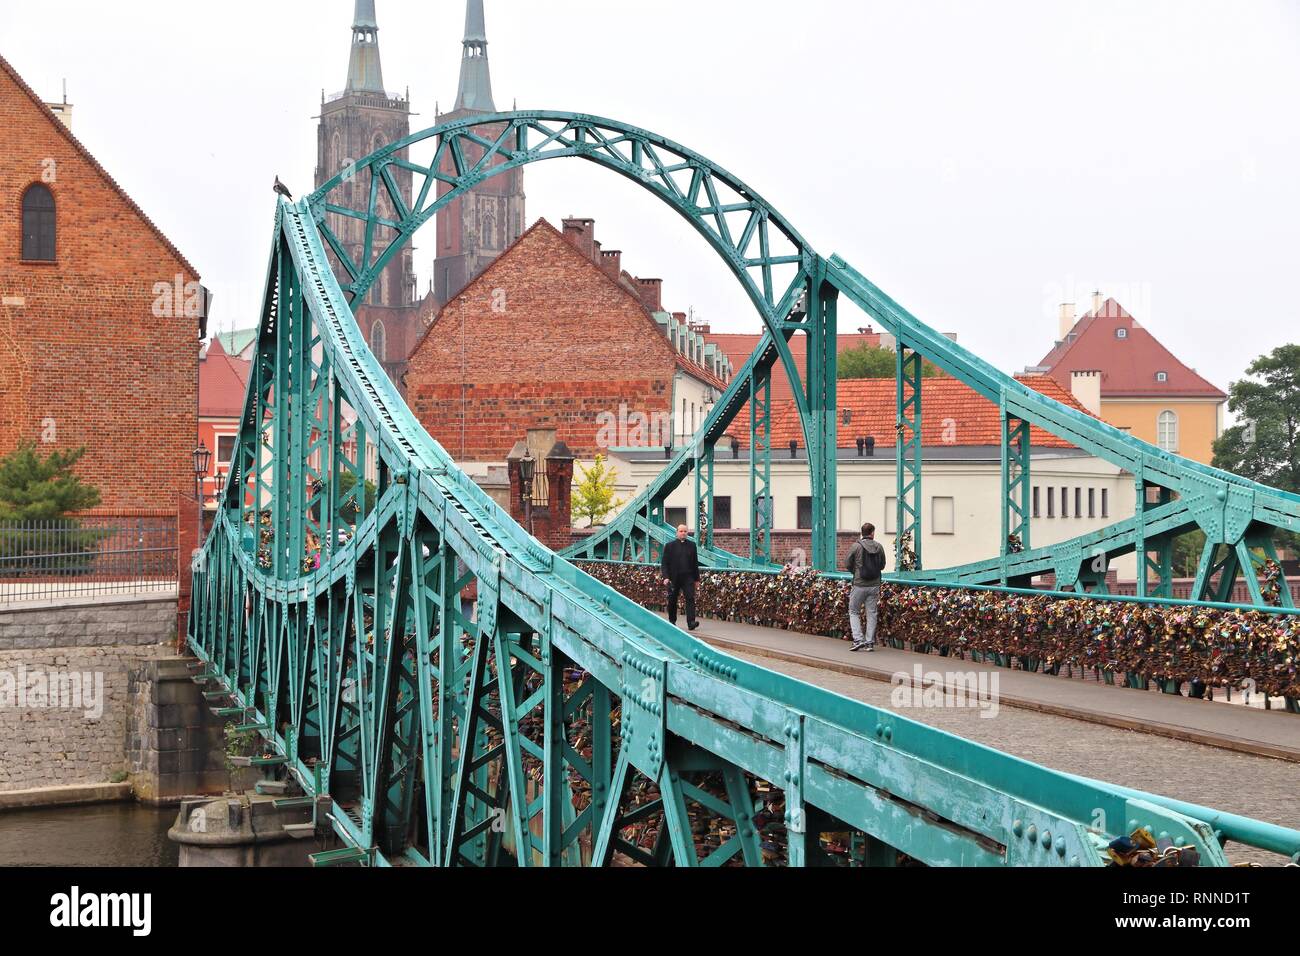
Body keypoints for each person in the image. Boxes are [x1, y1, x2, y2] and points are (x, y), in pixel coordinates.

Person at [845, 522, 887, 651]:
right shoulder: (879, 547)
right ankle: (869, 642)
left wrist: (856, 572)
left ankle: (858, 640)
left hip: (859, 584)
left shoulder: (855, 547)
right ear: (872, 533)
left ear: (862, 533)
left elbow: (847, 563)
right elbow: (882, 565)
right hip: (874, 585)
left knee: (853, 611)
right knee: (872, 613)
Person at [661, 524, 700, 630]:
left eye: (685, 531)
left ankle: (691, 622)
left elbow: (694, 563)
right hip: (674, 578)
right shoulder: (669, 546)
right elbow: (664, 563)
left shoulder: (692, 545)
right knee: (672, 600)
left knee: (690, 598)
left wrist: (697, 579)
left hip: (688, 577)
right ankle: (672, 621)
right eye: (681, 531)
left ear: (687, 533)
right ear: (677, 533)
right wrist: (666, 577)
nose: (683, 533)